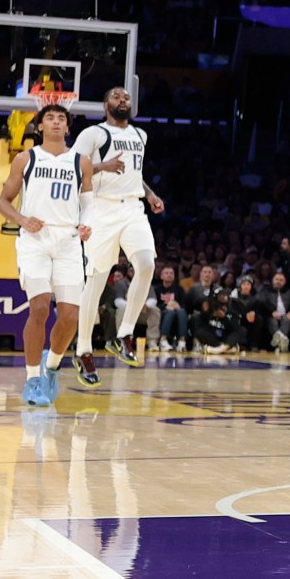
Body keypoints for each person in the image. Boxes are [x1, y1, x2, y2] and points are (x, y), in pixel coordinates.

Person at [1, 103, 94, 407]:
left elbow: (88, 204)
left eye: (61, 118)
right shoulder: (26, 159)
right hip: (35, 239)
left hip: (68, 240)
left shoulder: (81, 162)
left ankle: (51, 367)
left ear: (68, 128)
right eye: (50, 118)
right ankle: (31, 379)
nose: (56, 122)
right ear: (39, 126)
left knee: (69, 316)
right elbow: (3, 202)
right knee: (39, 309)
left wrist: (87, 224)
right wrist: (22, 220)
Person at [70, 86, 162, 381]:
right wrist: (103, 166)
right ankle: (83, 350)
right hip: (101, 210)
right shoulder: (93, 133)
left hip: (133, 209)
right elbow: (73, 168)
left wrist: (149, 194)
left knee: (147, 264)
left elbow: (134, 173)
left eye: (126, 97)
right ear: (105, 103)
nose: (122, 101)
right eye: (116, 97)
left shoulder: (140, 135)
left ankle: (123, 335)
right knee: (96, 282)